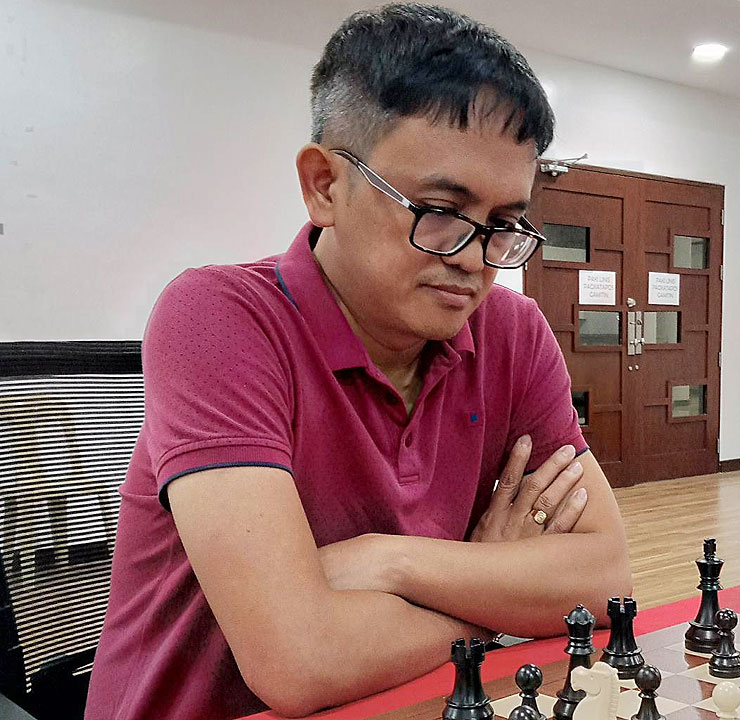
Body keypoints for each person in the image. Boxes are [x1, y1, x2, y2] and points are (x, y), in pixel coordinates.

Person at [84, 4, 632, 720]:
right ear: (324, 186)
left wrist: (386, 561)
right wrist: (491, 590)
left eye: (503, 226)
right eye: (438, 209)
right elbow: (299, 661)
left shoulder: (512, 332)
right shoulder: (218, 318)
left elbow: (603, 579)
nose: (474, 261)